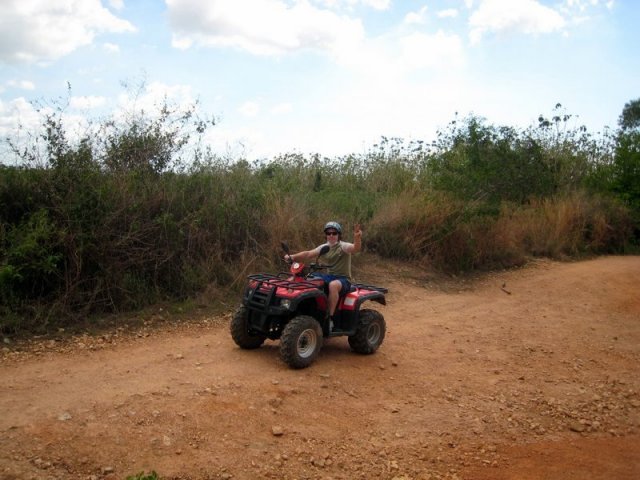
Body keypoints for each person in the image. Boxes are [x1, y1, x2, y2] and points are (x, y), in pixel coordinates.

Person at [284, 221, 362, 324]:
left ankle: (329, 318)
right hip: (329, 276)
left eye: (334, 233)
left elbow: (355, 248)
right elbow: (308, 254)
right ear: (326, 235)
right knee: (306, 278)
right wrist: (292, 257)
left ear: (339, 235)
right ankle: (297, 307)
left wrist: (357, 238)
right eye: (328, 233)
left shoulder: (343, 246)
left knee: (333, 286)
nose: (331, 235)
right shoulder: (324, 247)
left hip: (343, 279)